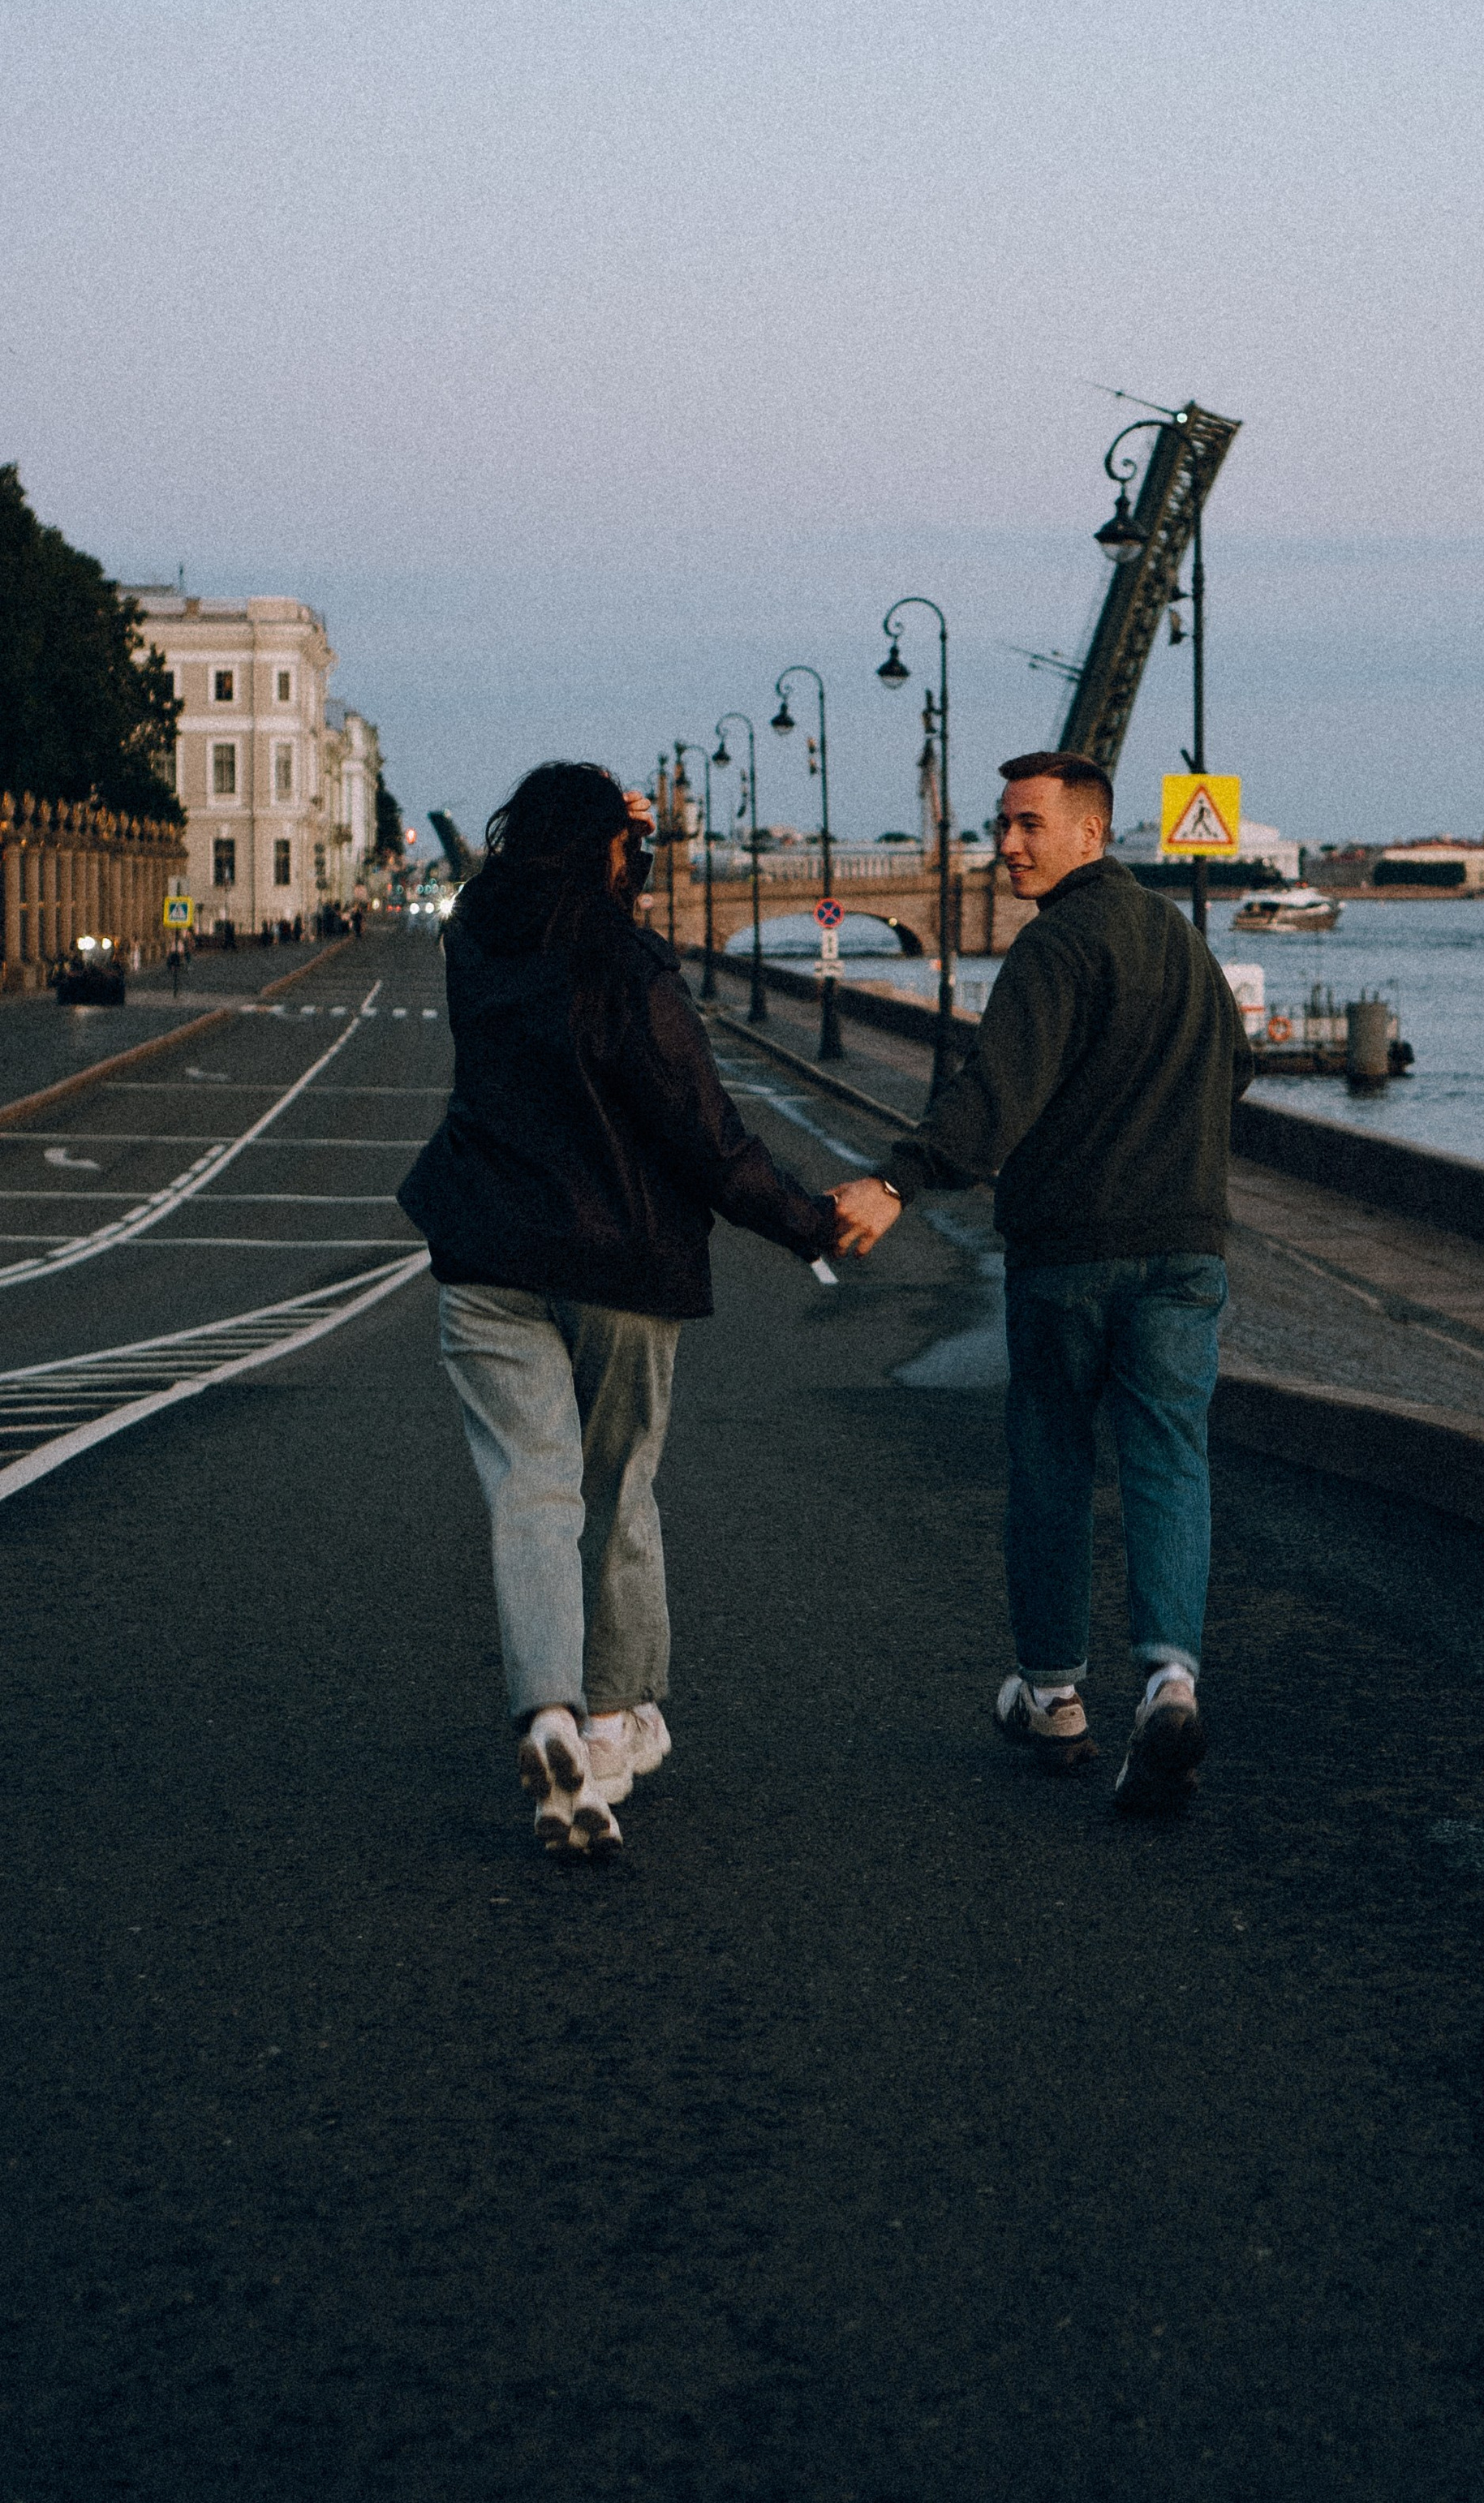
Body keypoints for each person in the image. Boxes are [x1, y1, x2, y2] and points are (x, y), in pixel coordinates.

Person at [400, 760, 837, 1857]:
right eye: (625, 850)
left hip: (484, 1255)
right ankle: (606, 1724)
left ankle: (543, 1706)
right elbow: (703, 1132)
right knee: (616, 1485)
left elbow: (511, 902)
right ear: (604, 852)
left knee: (532, 1494)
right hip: (616, 1263)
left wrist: (611, 838)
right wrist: (809, 1222)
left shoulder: (476, 947)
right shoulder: (625, 965)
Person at [829, 748, 1250, 1815]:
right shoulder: (1184, 944)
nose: (1005, 845)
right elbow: (1234, 1069)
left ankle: (1056, 1695)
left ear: (1091, 835)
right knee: (1169, 1461)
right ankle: (1169, 1682)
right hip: (1190, 1245)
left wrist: (897, 1182)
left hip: (1073, 1249)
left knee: (1055, 1461)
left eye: (1026, 826)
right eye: (1001, 825)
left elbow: (994, 1094)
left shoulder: (1059, 945)